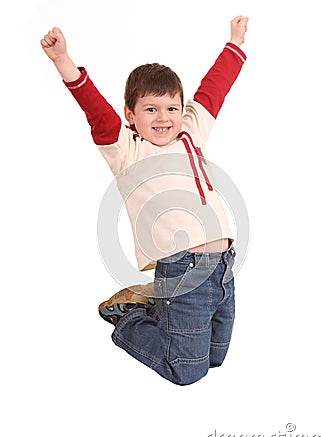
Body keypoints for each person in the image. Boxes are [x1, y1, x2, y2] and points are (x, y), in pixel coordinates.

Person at [40, 16, 248, 385]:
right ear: (131, 116)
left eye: (171, 108)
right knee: (186, 371)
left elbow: (215, 88)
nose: (163, 118)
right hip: (182, 269)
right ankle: (129, 318)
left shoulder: (191, 131)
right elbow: (96, 111)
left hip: (223, 267)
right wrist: (63, 61)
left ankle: (157, 303)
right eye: (150, 110)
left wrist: (235, 41)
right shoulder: (127, 151)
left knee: (216, 358)